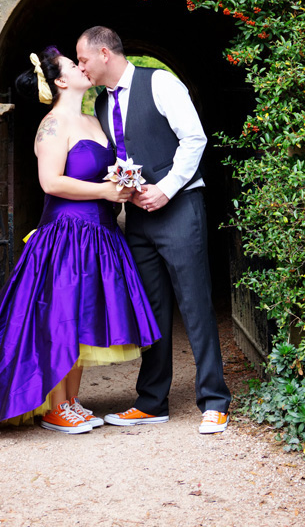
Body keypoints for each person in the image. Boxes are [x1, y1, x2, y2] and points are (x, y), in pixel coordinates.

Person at [0, 46, 161, 433]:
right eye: (74, 64)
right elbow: (51, 182)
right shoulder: (51, 125)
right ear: (60, 81)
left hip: (99, 233)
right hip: (67, 235)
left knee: (84, 319)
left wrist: (119, 183)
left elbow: (103, 170)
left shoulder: (94, 119)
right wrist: (104, 193)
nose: (82, 66)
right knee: (61, 319)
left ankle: (70, 401)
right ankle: (55, 406)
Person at [76, 26, 231, 434]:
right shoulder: (100, 105)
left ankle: (215, 400)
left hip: (179, 207)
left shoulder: (160, 82)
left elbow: (194, 139)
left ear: (104, 53)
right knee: (152, 310)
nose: (81, 67)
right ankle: (151, 402)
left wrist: (164, 189)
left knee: (196, 305)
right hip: (139, 218)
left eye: (83, 59)